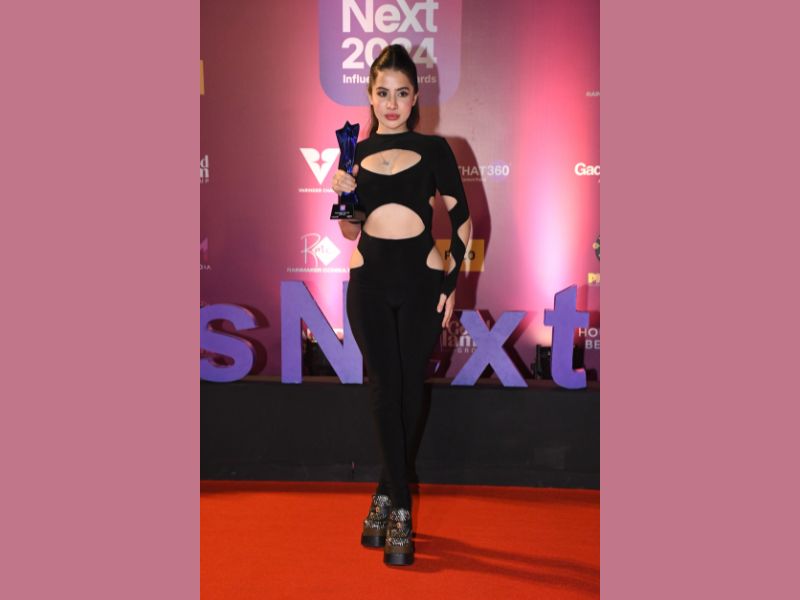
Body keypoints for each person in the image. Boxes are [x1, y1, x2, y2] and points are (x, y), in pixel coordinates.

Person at [332, 44, 471, 567]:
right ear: (370, 97)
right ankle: (402, 507)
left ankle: (384, 496)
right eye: (383, 93)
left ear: (415, 98)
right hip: (367, 284)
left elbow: (462, 222)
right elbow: (350, 231)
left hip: (421, 284)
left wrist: (451, 283)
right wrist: (342, 193)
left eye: (402, 93)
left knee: (410, 390)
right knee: (383, 388)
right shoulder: (353, 153)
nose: (392, 104)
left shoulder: (436, 149)